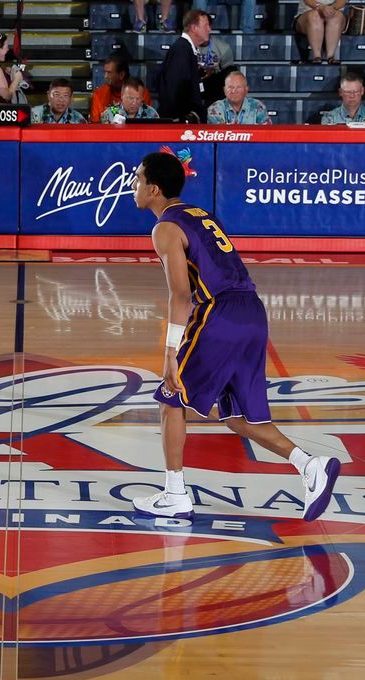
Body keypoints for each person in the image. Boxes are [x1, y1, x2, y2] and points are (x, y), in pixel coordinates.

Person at [130, 151, 341, 522]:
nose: (133, 185)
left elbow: (180, 294)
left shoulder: (164, 227)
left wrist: (169, 354)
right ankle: (310, 465)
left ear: (154, 189)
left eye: (137, 179)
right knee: (239, 415)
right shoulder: (200, 215)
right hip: (252, 311)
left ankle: (175, 494)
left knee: (170, 395)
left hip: (220, 312)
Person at [156, 9, 210, 122]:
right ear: (194, 28)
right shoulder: (181, 50)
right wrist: (183, 118)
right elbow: (175, 88)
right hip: (179, 125)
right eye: (206, 26)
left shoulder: (186, 49)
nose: (209, 29)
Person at [90, 54, 152, 122]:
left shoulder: (142, 93)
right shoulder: (98, 94)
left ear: (121, 75)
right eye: (105, 72)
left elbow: (148, 122)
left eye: (109, 73)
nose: (105, 76)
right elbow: (95, 125)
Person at [206, 70, 271, 124]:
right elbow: (217, 135)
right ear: (224, 90)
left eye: (238, 87)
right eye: (230, 87)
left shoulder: (258, 107)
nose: (234, 91)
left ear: (246, 90)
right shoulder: (215, 109)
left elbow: (268, 134)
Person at [296, 0, 347, 64]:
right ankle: (317, 56)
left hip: (334, 11)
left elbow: (342, 1)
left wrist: (331, 9)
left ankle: (330, 56)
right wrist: (321, 7)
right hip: (306, 14)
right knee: (315, 15)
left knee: (336, 16)